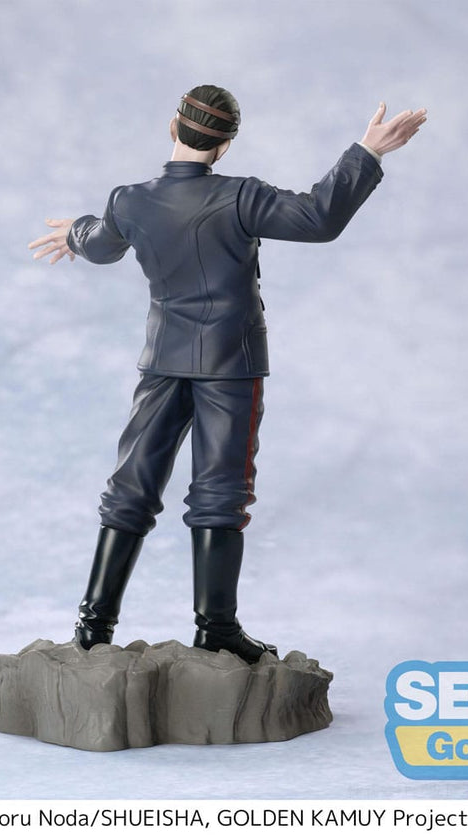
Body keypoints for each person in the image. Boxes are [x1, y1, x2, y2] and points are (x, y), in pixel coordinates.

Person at [29, 85, 427, 663]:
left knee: (131, 487)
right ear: (225, 145)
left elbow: (102, 245)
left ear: (174, 127)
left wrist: (75, 232)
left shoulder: (129, 201)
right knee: (220, 494)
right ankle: (215, 628)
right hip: (231, 365)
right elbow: (319, 218)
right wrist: (367, 152)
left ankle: (92, 628)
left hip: (162, 360)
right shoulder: (241, 197)